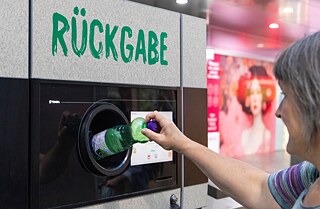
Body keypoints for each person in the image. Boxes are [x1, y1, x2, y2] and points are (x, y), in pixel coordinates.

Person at [142, 31, 320, 209]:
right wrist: (181, 143)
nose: (278, 112)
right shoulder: (313, 173)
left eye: (286, 95)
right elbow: (260, 189)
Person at [237, 65, 276, 155]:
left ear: (263, 97)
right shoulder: (244, 134)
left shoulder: (267, 136)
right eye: (251, 92)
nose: (254, 98)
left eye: (258, 92)